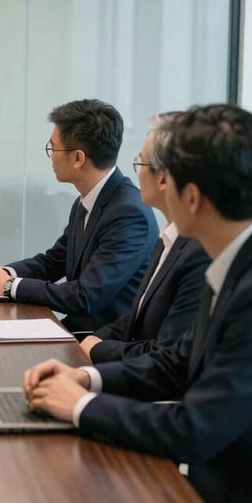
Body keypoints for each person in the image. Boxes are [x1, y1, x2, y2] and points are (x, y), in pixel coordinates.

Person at [24, 104, 252, 503]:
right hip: (205, 492)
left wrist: (79, 408)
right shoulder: (240, 262)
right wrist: (87, 381)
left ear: (192, 196)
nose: (146, 184)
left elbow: (197, 428)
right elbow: (177, 361)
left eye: (160, 173)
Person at [0, 99, 157, 333]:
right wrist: (3, 273)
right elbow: (53, 261)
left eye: (53, 148)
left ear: (78, 158)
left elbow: (85, 296)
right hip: (75, 330)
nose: (51, 157)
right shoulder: (88, 200)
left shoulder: (129, 213)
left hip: (101, 342)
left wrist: (8, 286)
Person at [80, 113, 210, 362]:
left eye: (140, 165)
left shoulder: (199, 252)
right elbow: (136, 316)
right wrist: (93, 340)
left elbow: (167, 353)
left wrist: (97, 349)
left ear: (162, 178)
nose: (136, 175)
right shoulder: (168, 238)